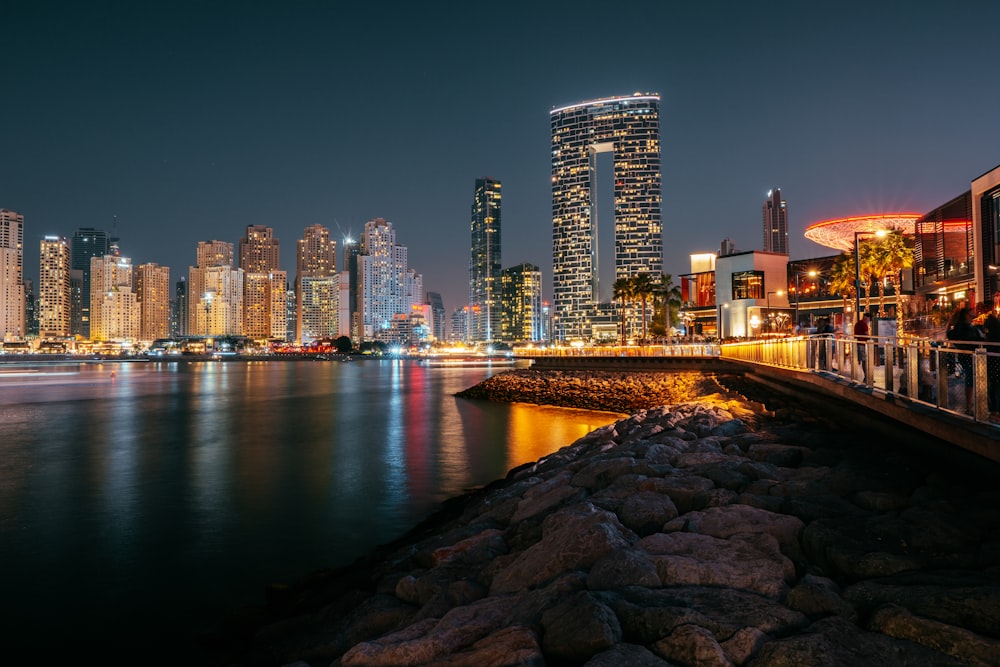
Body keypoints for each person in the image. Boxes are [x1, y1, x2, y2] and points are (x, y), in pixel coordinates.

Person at [946, 307, 984, 414]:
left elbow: (950, 334)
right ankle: (970, 405)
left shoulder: (968, 326)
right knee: (971, 377)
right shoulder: (964, 327)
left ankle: (973, 404)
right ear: (968, 314)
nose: (975, 312)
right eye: (972, 311)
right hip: (970, 355)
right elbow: (971, 339)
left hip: (969, 355)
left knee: (972, 377)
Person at [984, 313, 1000, 417]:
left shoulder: (988, 338)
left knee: (993, 386)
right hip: (997, 363)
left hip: (991, 364)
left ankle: (994, 411)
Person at [853, 313, 871, 382]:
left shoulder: (858, 323)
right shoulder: (863, 324)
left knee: (863, 360)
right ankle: (867, 377)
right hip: (862, 344)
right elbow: (866, 334)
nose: (868, 320)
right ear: (866, 317)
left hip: (858, 343)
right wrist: (871, 339)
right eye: (868, 319)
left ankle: (866, 376)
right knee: (865, 361)